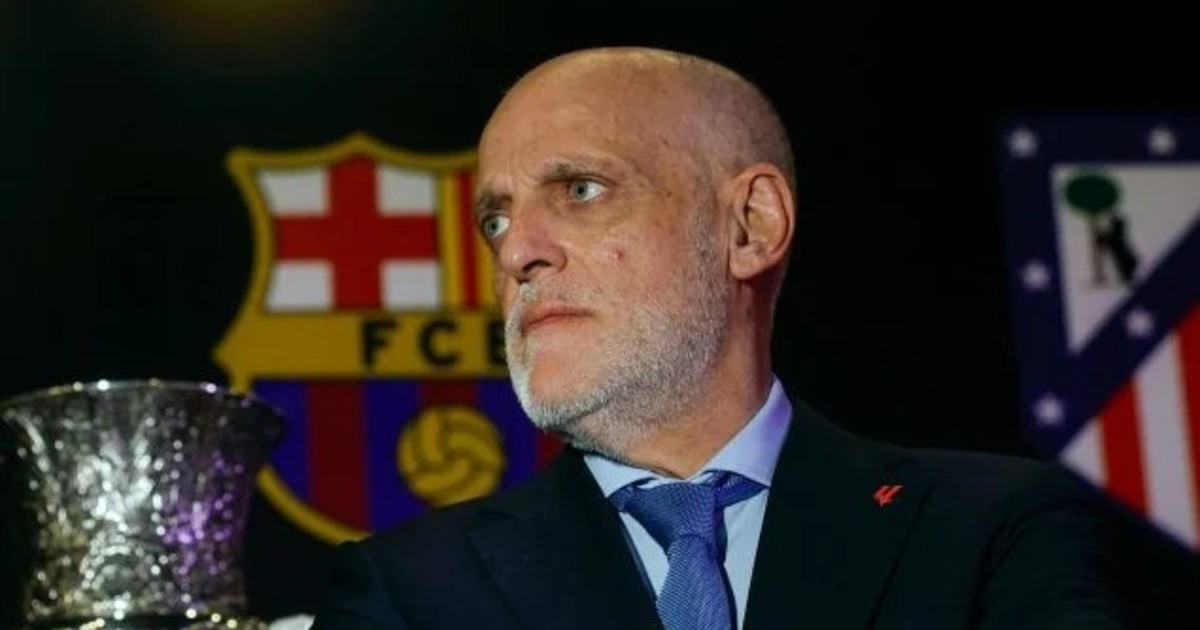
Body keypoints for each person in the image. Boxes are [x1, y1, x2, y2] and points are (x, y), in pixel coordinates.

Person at [310, 46, 1124, 630]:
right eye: (496, 218)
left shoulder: (984, 533)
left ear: (749, 226)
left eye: (581, 190)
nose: (517, 250)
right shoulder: (407, 591)